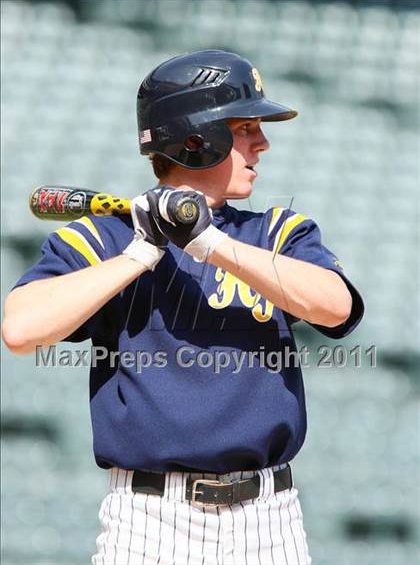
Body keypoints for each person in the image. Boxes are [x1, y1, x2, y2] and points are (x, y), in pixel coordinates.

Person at [2, 49, 364, 564]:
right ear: (196, 138)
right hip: (149, 521)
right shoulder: (104, 239)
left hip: (267, 518)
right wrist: (139, 254)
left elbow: (336, 307)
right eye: (244, 128)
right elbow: (21, 329)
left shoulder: (275, 232)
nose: (262, 143)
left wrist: (210, 243)